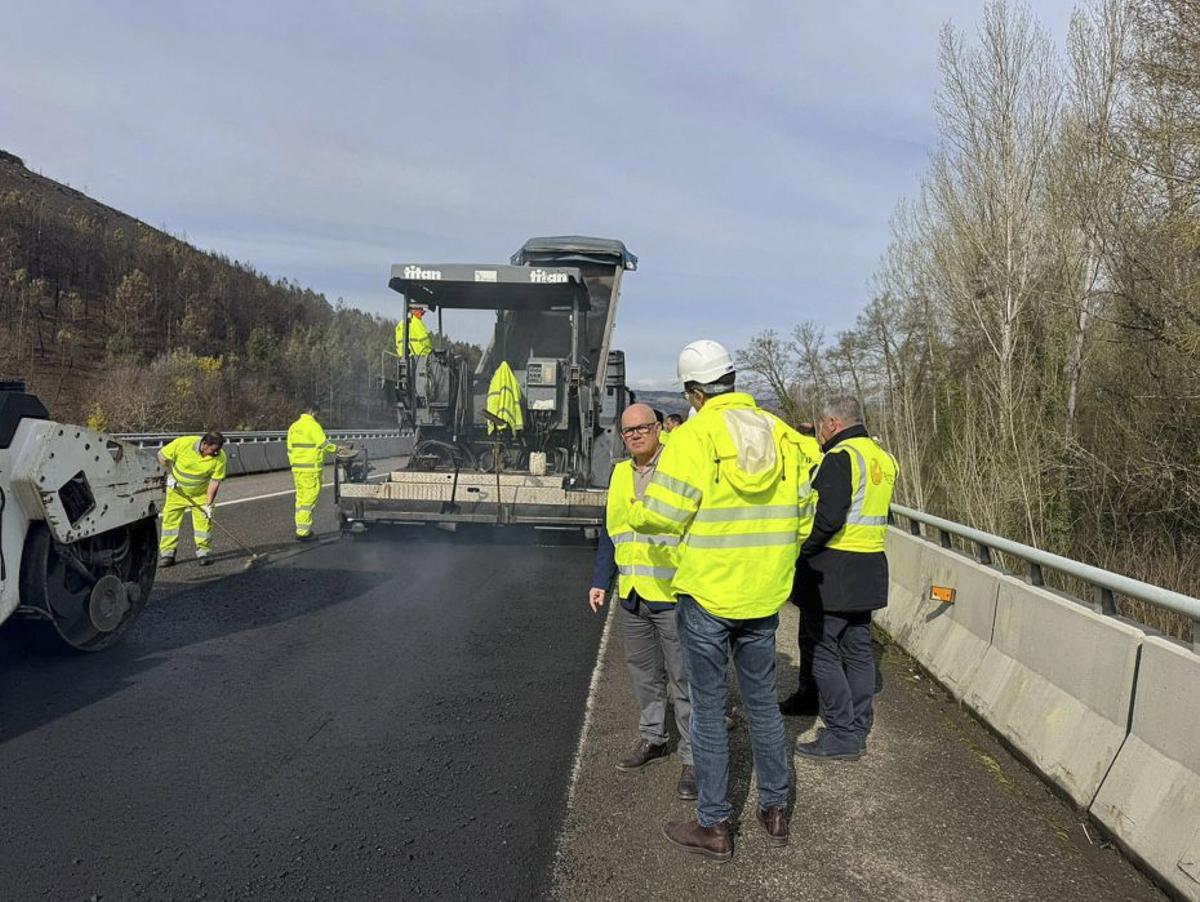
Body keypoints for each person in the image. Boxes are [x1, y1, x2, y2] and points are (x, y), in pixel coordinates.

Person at [628, 339, 816, 861]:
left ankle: (714, 825)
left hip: (708, 596)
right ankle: (774, 812)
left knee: (709, 711)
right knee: (762, 705)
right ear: (732, 379)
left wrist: (639, 512)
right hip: (763, 597)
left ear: (694, 392)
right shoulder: (783, 436)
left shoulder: (694, 437)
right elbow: (805, 516)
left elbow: (662, 513)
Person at [589, 403, 695, 800]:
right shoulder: (619, 473)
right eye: (628, 430)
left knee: (683, 677)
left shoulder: (677, 468)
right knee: (644, 674)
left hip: (671, 593)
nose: (635, 435)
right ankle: (653, 737)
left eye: (642, 428)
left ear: (658, 429)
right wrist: (602, 580)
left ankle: (692, 756)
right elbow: (610, 532)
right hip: (632, 594)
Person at [794, 397, 898, 761]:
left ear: (833, 424)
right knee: (857, 648)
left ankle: (841, 733)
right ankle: (858, 721)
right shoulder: (883, 459)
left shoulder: (840, 458)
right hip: (870, 568)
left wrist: (802, 550)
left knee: (823, 650)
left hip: (834, 571)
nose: (820, 433)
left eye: (822, 427)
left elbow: (828, 518)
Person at [158, 431, 228, 567]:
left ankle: (203, 551)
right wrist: (169, 474)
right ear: (204, 444)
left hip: (200, 493)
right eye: (213, 450)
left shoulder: (220, 457)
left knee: (204, 522)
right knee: (170, 522)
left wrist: (208, 504)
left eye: (218, 450)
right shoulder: (183, 443)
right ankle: (167, 553)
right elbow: (161, 455)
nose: (215, 453)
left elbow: (215, 482)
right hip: (176, 491)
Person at [287, 407, 338, 542]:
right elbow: (323, 444)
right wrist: (337, 449)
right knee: (308, 501)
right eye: (318, 414)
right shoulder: (313, 426)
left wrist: (295, 465)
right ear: (313, 412)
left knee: (301, 500)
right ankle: (303, 532)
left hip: (298, 470)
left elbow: (290, 449)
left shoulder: (294, 426)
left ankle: (301, 528)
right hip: (311, 471)